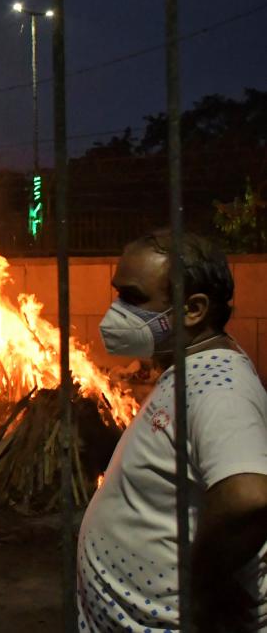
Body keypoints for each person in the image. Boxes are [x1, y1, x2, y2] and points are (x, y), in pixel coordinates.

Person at [78, 231, 267, 631]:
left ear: (194, 309)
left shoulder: (219, 384)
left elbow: (248, 496)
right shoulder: (187, 370)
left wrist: (200, 590)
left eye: (132, 297)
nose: (116, 312)